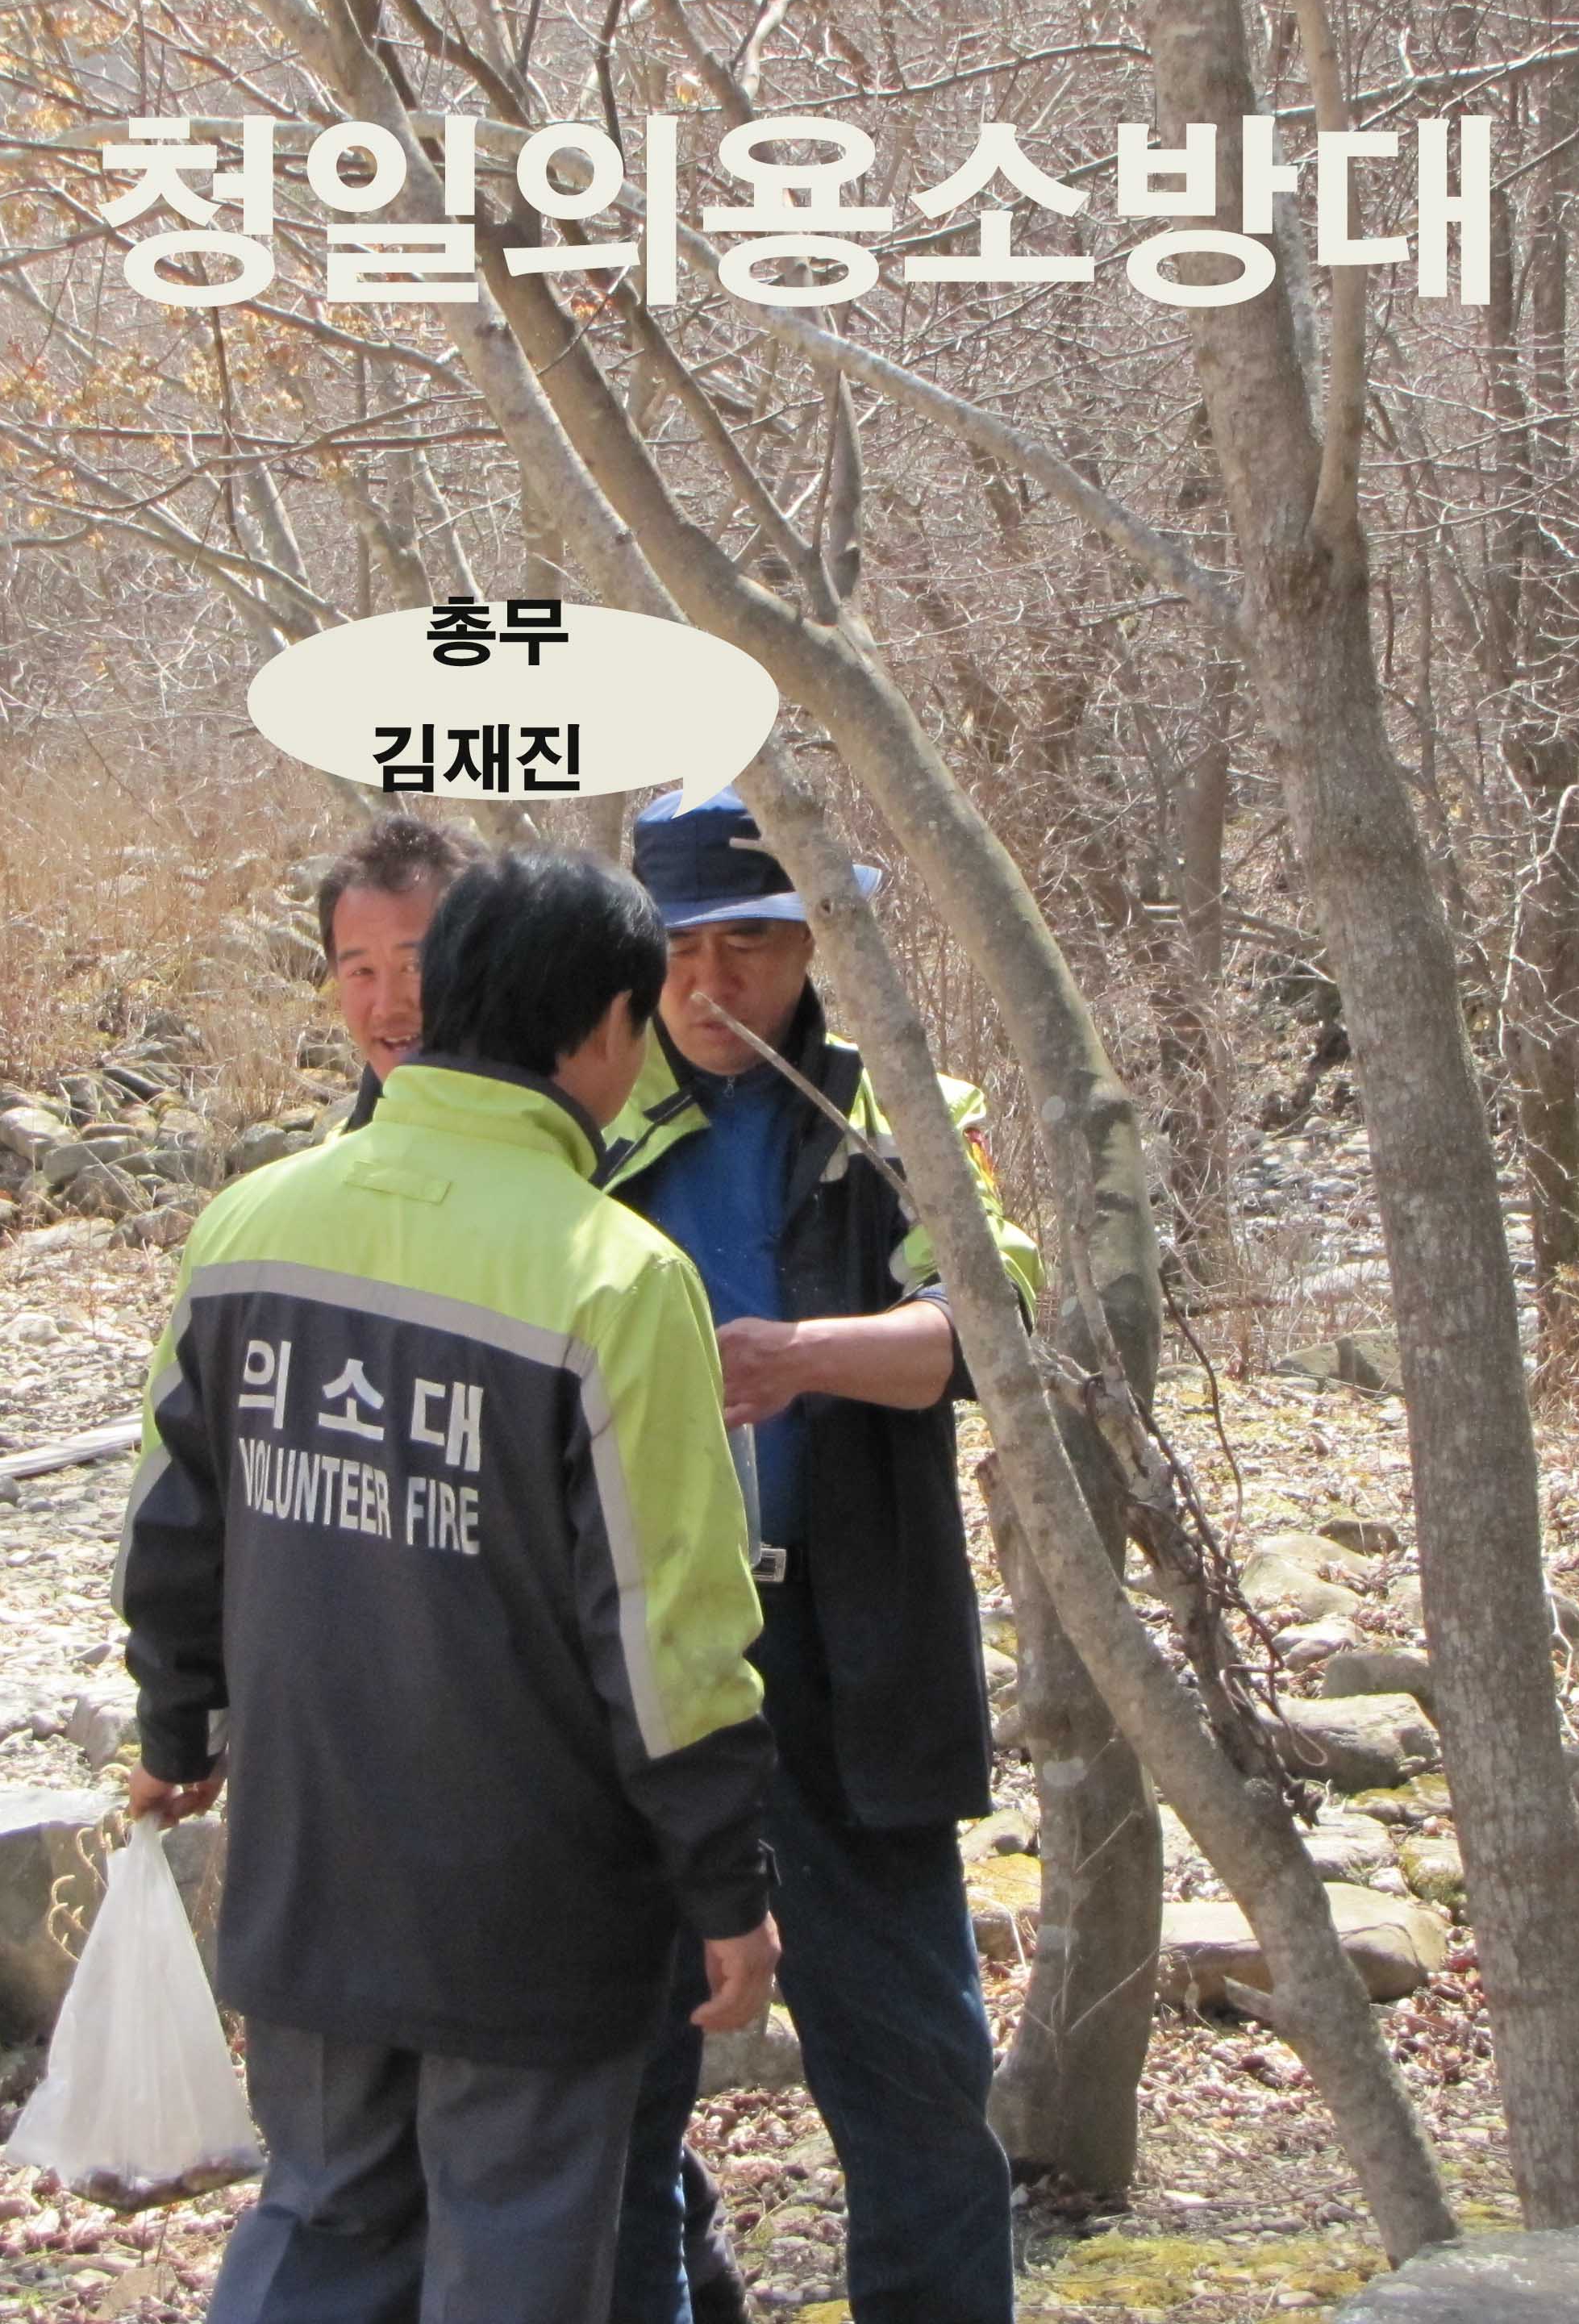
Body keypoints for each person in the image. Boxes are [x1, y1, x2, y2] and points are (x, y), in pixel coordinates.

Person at [117, 848, 782, 2324]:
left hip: (308, 1863)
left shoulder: (249, 1226)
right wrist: (727, 1882)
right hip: (532, 1907)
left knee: (319, 2220)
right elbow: (669, 1632)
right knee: (516, 2250)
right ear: (608, 1028)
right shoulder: (618, 1278)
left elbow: (172, 1525)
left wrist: (173, 1728)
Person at [603, 789, 1040, 2324]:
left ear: (813, 944)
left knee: (916, 2078)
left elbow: (993, 1331)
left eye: (754, 944)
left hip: (853, 1649)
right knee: (612, 2073)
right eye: (683, 951)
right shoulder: (586, 1112)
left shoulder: (898, 1110)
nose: (715, 985)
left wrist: (800, 1357)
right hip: (638, 1651)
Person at [318, 810, 485, 1110]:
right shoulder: (353, 1135)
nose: (387, 1007)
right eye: (362, 971)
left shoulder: (558, 1131)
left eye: (414, 966)